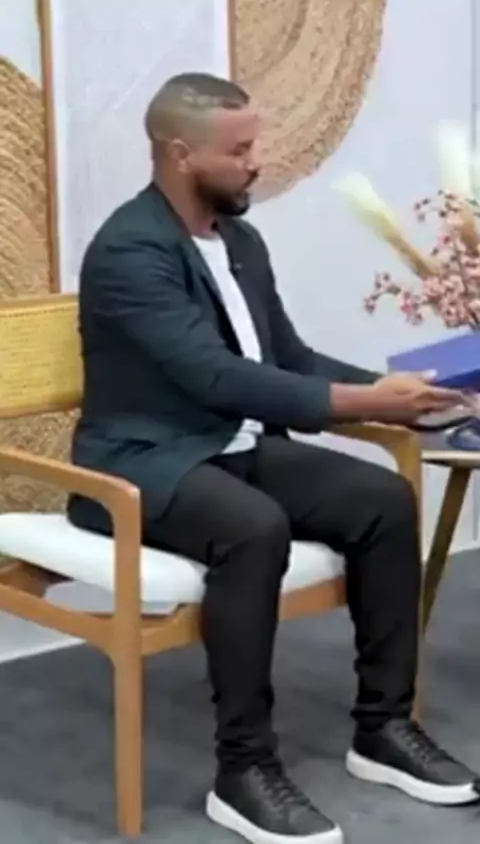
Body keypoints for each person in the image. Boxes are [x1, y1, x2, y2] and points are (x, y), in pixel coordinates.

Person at [67, 72, 479, 844]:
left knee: (383, 500)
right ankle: (243, 771)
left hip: (231, 445)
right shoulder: (130, 251)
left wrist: (406, 394)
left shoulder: (240, 242)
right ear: (180, 154)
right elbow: (215, 378)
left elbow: (285, 358)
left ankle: (384, 729)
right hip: (142, 460)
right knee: (253, 527)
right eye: (240, 150)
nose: (257, 161)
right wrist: (367, 403)